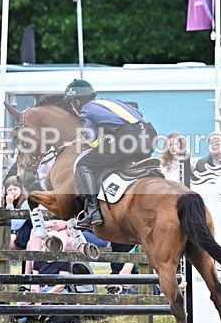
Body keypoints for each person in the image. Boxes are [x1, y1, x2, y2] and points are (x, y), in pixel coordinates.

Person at [63, 79, 157, 228]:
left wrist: (92, 141)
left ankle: (93, 211)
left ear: (77, 101)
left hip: (129, 138)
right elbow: (138, 115)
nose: (72, 106)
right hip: (150, 135)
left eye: (71, 103)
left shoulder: (85, 110)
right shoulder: (110, 102)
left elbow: (93, 141)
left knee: (83, 164)